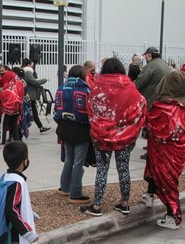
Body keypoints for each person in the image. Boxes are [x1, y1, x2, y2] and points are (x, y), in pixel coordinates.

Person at [80, 58, 146, 217]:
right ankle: (124, 203)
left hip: (102, 135)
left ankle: (97, 205)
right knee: (123, 169)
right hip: (124, 136)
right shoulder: (129, 85)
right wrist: (129, 126)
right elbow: (141, 105)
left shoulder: (97, 85)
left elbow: (90, 107)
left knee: (102, 169)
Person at [143, 71, 185, 230]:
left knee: (166, 180)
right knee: (162, 174)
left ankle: (173, 216)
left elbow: (152, 126)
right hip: (178, 150)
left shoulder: (162, 106)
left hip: (163, 150)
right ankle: (150, 194)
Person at [54, 65, 91, 204]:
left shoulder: (61, 88)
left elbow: (56, 111)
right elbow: (90, 112)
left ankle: (64, 188)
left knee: (69, 159)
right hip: (81, 130)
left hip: (64, 129)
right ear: (82, 75)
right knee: (78, 162)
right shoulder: (85, 90)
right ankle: (75, 194)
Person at [0, 70, 24, 149]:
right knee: (14, 125)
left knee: (3, 125)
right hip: (17, 108)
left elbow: (1, 96)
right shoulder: (19, 84)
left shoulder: (7, 86)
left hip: (7, 109)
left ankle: (2, 142)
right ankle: (17, 141)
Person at [21, 58, 50, 134]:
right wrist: (44, 80)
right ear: (28, 65)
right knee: (31, 112)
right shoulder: (28, 71)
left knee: (33, 111)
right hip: (29, 94)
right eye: (32, 65)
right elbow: (34, 82)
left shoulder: (24, 71)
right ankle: (25, 129)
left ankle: (40, 127)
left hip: (28, 94)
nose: (32, 67)